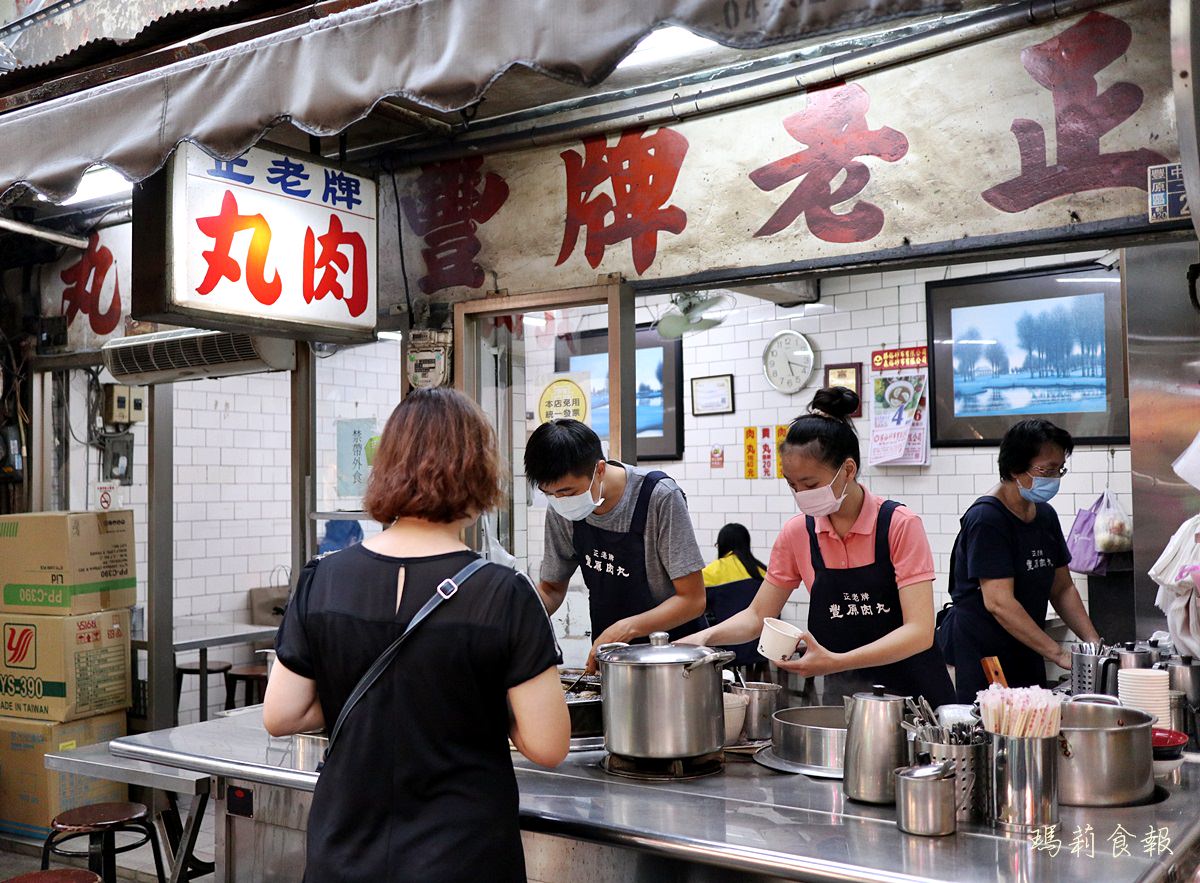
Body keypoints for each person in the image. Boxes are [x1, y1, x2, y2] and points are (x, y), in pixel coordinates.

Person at [263, 388, 569, 883]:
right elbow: (548, 744)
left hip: (345, 855)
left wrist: (372, 694)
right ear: (479, 474)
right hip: (463, 857)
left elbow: (281, 715)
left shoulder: (323, 578)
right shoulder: (504, 594)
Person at [681, 387, 955, 707]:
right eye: (792, 485)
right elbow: (758, 615)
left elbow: (919, 631)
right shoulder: (798, 533)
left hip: (915, 699)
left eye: (810, 485)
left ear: (848, 470)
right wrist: (705, 638)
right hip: (846, 700)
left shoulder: (898, 525)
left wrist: (837, 662)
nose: (800, 494)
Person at [938, 418, 1102, 703]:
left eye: (1059, 470)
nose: (1053, 478)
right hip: (985, 656)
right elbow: (999, 602)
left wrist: (1094, 644)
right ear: (1015, 469)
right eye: (1046, 470)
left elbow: (1062, 589)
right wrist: (1057, 653)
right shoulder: (987, 519)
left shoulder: (1045, 516)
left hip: (1026, 647)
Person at [525, 419, 707, 668]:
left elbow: (693, 600)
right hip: (613, 660)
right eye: (549, 493)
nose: (559, 500)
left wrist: (626, 628)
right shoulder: (561, 509)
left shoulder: (659, 496)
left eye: (567, 492)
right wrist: (520, 620)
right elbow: (552, 588)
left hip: (674, 657)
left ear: (599, 470)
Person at [702, 524, 767, 666]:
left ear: (722, 545)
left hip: (727, 646)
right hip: (760, 647)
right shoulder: (762, 571)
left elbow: (700, 606)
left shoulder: (710, 572)